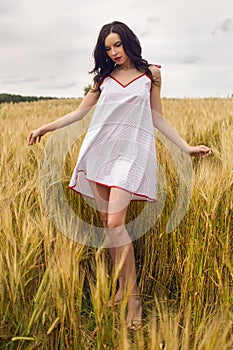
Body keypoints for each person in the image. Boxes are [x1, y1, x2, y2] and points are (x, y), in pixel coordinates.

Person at [28, 21, 211, 331]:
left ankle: (134, 298)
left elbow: (157, 117)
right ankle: (119, 289)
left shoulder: (150, 73)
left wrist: (185, 147)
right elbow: (79, 113)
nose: (113, 52)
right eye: (107, 47)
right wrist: (45, 128)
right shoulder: (103, 80)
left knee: (115, 224)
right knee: (108, 225)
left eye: (117, 45)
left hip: (131, 154)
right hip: (99, 151)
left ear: (129, 42)